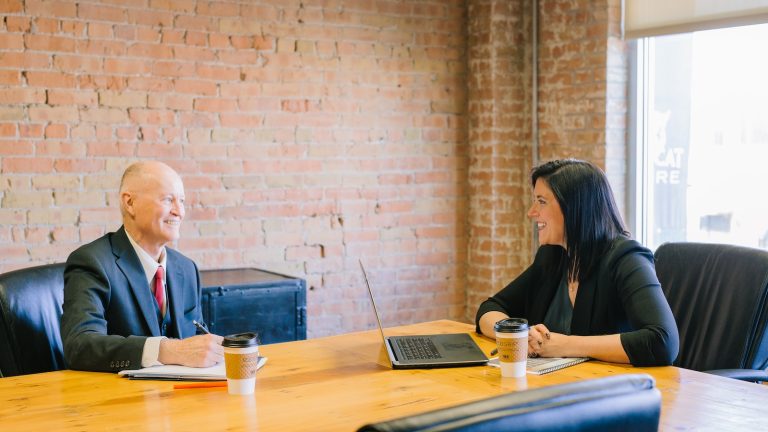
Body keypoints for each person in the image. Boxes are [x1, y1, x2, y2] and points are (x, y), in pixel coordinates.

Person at [475, 159, 679, 366]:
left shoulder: (627, 258)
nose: (531, 212)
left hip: (611, 389)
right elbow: (491, 307)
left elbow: (662, 342)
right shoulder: (553, 256)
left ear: (574, 208)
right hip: (561, 384)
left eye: (542, 201)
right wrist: (517, 336)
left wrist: (563, 345)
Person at [61, 161, 224, 372]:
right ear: (130, 203)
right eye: (168, 200)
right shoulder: (91, 262)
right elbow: (79, 347)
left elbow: (197, 342)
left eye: (182, 201)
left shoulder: (186, 268)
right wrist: (167, 350)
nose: (179, 212)